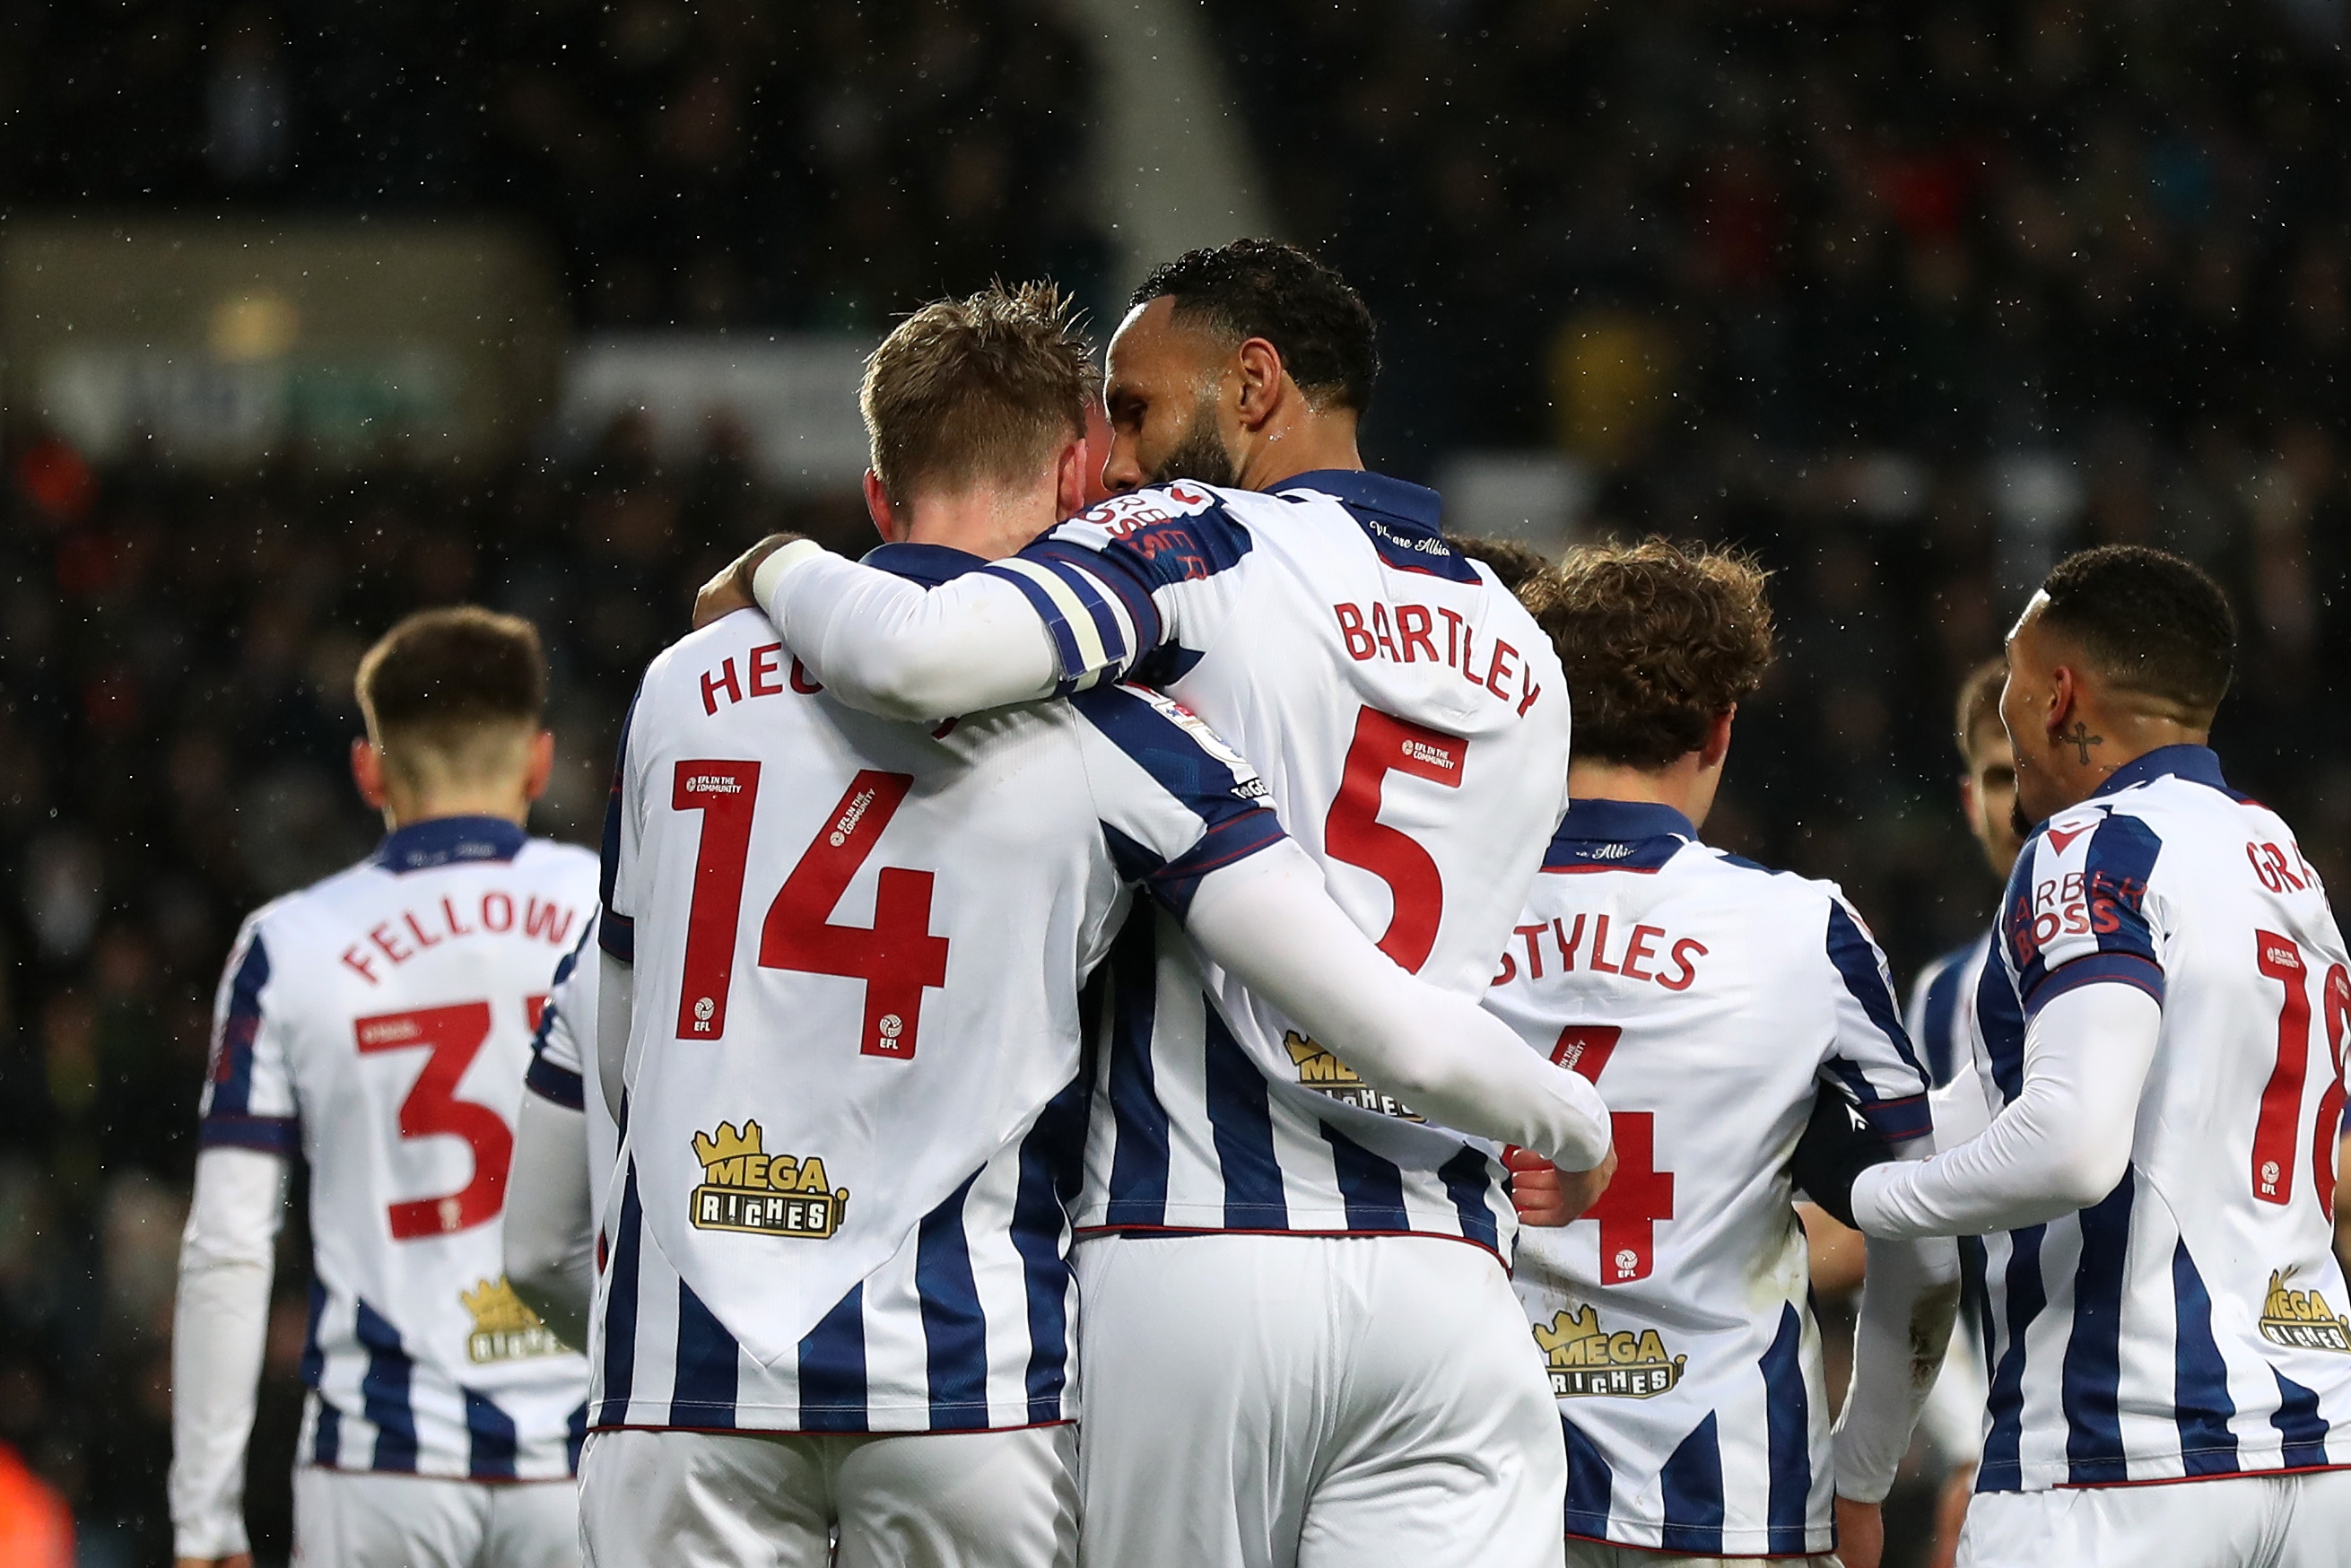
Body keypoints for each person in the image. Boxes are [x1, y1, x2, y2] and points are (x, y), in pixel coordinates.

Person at [579, 282, 1613, 1568]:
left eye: (1136, 413)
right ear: (1065, 466)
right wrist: (1570, 1118)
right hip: (1311, 1289)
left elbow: (606, 1045)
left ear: (875, 491)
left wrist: (771, 562)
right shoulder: (1488, 639)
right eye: (1105, 427)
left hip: (795, 1336)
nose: (1120, 462)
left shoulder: (681, 690)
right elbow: (1382, 1006)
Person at [1850, 545, 2351, 1564]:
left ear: (2056, 692)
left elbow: (2072, 1146)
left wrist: (1864, 1195)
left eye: (2012, 690)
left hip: (2119, 1463)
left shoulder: (2090, 843)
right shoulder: (2281, 862)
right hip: (2316, 1455)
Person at [1486, 540, 1957, 1568]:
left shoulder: (1443, 915)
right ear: (1719, 724)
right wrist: (1865, 1470)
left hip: (1474, 1479)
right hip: (1730, 1495)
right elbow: (1922, 1234)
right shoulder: (1802, 929)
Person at [169, 608, 596, 1568]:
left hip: (381, 1460)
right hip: (594, 1449)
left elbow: (228, 1243)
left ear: (369, 770)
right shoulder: (617, 908)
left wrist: (205, 1520)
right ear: (537, 760)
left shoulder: (290, 943)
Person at [1904, 658, 2020, 1568]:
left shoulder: (2203, 960)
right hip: (2030, 1452)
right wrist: (1969, 1441)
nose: (2016, 804)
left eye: (2027, 772)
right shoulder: (1941, 999)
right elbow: (1922, 1254)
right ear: (1965, 796)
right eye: (1994, 774)